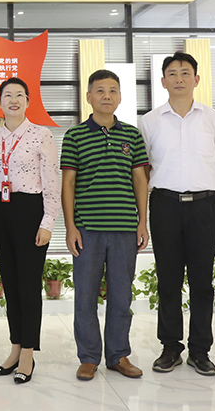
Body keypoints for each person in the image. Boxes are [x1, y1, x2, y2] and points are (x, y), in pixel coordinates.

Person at [139, 52, 215, 376]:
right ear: (163, 81)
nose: (178, 78)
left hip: (203, 206)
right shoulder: (149, 121)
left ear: (196, 79)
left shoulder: (213, 118)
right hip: (164, 204)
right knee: (167, 279)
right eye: (172, 73)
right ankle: (170, 347)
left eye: (185, 72)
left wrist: (200, 184)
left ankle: (200, 350)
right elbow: (144, 168)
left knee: (201, 281)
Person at [61, 70, 149, 381]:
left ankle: (118, 355)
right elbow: (68, 184)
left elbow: (140, 180)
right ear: (89, 97)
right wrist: (70, 227)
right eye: (100, 91)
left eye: (113, 90)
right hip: (88, 228)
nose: (107, 96)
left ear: (120, 97)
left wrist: (143, 222)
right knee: (85, 296)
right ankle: (88, 357)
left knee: (122, 296)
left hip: (125, 227)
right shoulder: (75, 136)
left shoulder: (131, 135)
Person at [0, 77, 60, 385]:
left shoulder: (41, 134)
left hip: (30, 212)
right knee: (11, 284)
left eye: (19, 95)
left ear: (28, 101)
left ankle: (28, 352)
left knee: (28, 285)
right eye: (7, 95)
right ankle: (14, 348)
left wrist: (48, 222)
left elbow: (51, 181)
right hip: (0, 211)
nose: (13, 100)